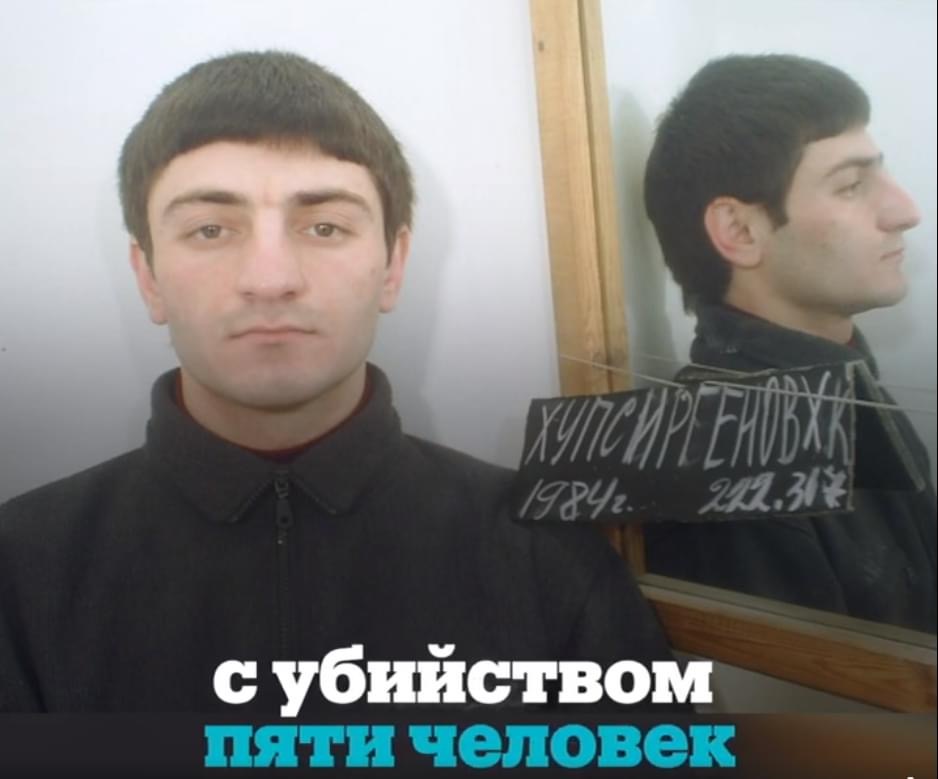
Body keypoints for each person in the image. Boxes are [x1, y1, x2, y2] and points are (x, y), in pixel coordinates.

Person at [0, 50, 675, 712]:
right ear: (148, 276)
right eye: (209, 230)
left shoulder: (549, 563)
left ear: (393, 265)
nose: (270, 279)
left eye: (324, 226)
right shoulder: (20, 572)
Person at [642, 53, 936, 632]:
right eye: (851, 185)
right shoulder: (726, 466)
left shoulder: (843, 386)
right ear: (739, 230)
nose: (906, 211)